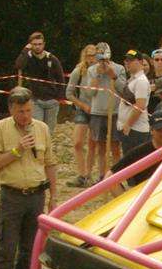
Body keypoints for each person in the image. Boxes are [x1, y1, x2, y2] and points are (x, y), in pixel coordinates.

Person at [0, 87, 57, 269]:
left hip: (36, 197)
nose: (25, 116)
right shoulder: (0, 129)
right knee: (7, 249)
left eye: (28, 110)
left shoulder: (42, 129)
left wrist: (54, 197)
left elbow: (50, 163)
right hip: (12, 196)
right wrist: (17, 150)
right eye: (20, 112)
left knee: (29, 251)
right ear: (11, 110)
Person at [83, 44, 124, 175]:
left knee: (115, 147)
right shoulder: (92, 70)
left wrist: (113, 75)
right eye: (100, 59)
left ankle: (116, 176)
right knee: (100, 147)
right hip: (98, 112)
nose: (102, 63)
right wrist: (97, 75)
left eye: (104, 59)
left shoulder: (119, 68)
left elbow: (124, 90)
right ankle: (101, 175)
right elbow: (89, 93)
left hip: (114, 111)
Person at [13, 32, 66, 135]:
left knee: (48, 132)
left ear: (44, 44)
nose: (37, 47)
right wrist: (25, 50)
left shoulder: (51, 58)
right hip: (35, 100)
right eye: (34, 44)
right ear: (30, 45)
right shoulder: (28, 57)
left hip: (52, 100)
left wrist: (58, 98)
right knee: (36, 130)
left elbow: (61, 79)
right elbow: (19, 65)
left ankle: (46, 150)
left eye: (39, 44)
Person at [117, 113, 162, 187]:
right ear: (151, 131)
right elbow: (110, 176)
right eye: (159, 130)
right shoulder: (138, 153)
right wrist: (126, 198)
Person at [65, 43, 97, 187]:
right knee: (78, 142)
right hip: (82, 109)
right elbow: (69, 93)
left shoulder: (100, 71)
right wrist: (83, 105)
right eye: (89, 55)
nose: (91, 58)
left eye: (94, 55)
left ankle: (88, 174)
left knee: (92, 143)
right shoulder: (78, 71)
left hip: (97, 110)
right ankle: (81, 174)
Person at [115, 50, 152, 154]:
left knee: (133, 162)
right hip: (131, 129)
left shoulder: (141, 81)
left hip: (136, 130)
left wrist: (128, 125)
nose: (127, 63)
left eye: (131, 60)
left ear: (140, 62)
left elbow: (140, 106)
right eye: (126, 60)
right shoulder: (133, 79)